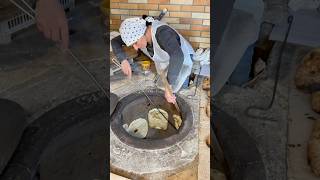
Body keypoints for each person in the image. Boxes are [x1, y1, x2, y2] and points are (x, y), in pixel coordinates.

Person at [111, 16, 195, 104]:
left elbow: (178, 57)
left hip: (183, 58)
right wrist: (123, 60)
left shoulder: (163, 33)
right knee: (165, 85)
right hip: (166, 58)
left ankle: (190, 76)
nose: (135, 48)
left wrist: (169, 86)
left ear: (143, 33)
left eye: (135, 43)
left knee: (179, 89)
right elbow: (114, 41)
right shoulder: (134, 33)